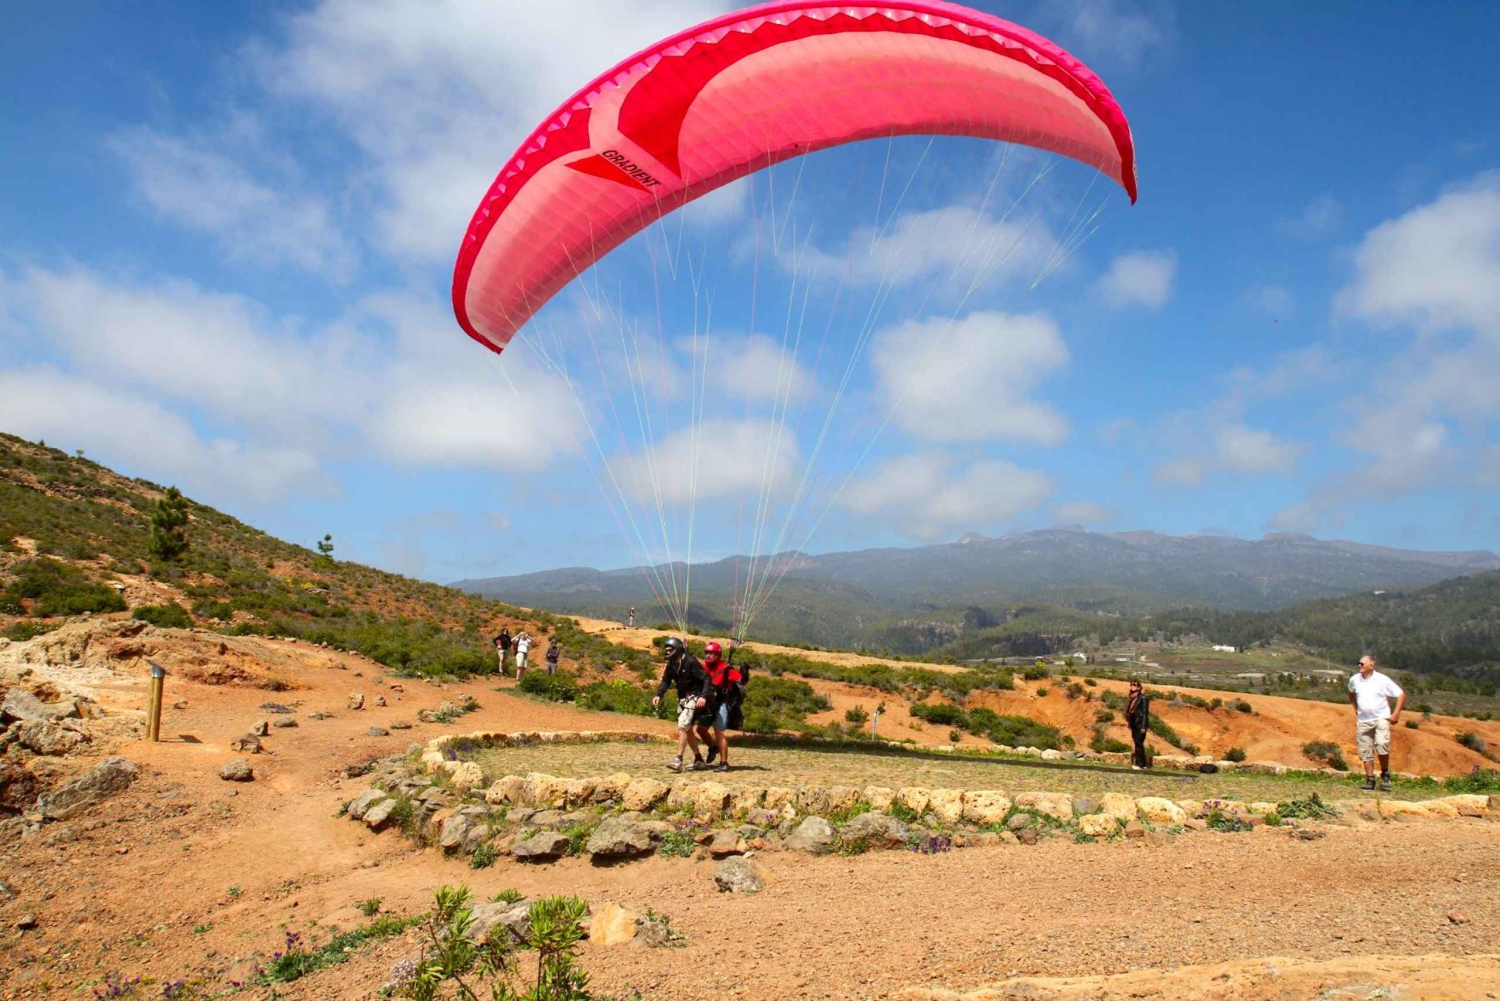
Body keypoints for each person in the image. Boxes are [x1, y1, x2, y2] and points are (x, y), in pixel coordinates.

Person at [652, 636, 713, 772]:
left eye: (669, 650)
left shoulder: (690, 662)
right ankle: (698, 760)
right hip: (682, 699)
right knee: (688, 729)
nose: (667, 652)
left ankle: (678, 760)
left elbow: (706, 678)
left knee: (682, 727)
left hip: (694, 697)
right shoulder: (672, 664)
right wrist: (659, 695)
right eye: (666, 650)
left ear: (677, 649)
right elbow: (666, 680)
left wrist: (703, 696)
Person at [1348, 653, 1405, 791]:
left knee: (1381, 743)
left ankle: (1385, 773)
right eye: (1359, 663)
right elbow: (1350, 692)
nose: (1359, 666)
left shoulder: (1382, 680)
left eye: (1362, 663)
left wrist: (1396, 713)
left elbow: (1401, 694)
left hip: (1381, 717)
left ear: (1371, 665)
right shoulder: (1355, 680)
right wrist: (1355, 707)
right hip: (1363, 720)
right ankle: (1370, 779)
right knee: (1365, 750)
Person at [697, 641, 740, 772]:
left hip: (721, 703)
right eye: (707, 653)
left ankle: (724, 763)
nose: (708, 656)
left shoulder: (726, 668)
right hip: (709, 703)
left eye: (711, 654)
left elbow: (740, 680)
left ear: (718, 655)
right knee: (700, 729)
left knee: (719, 732)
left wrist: (744, 673)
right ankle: (713, 747)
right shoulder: (704, 668)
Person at [1126, 680, 1150, 770]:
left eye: (1135, 685)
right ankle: (1143, 764)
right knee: (1138, 743)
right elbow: (1131, 712)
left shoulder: (1143, 698)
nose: (1132, 686)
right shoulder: (1132, 698)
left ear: (1139, 687)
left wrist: (1143, 726)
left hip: (1140, 724)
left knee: (1138, 743)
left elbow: (1145, 713)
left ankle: (1139, 764)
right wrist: (1129, 723)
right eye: (1131, 684)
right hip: (1134, 723)